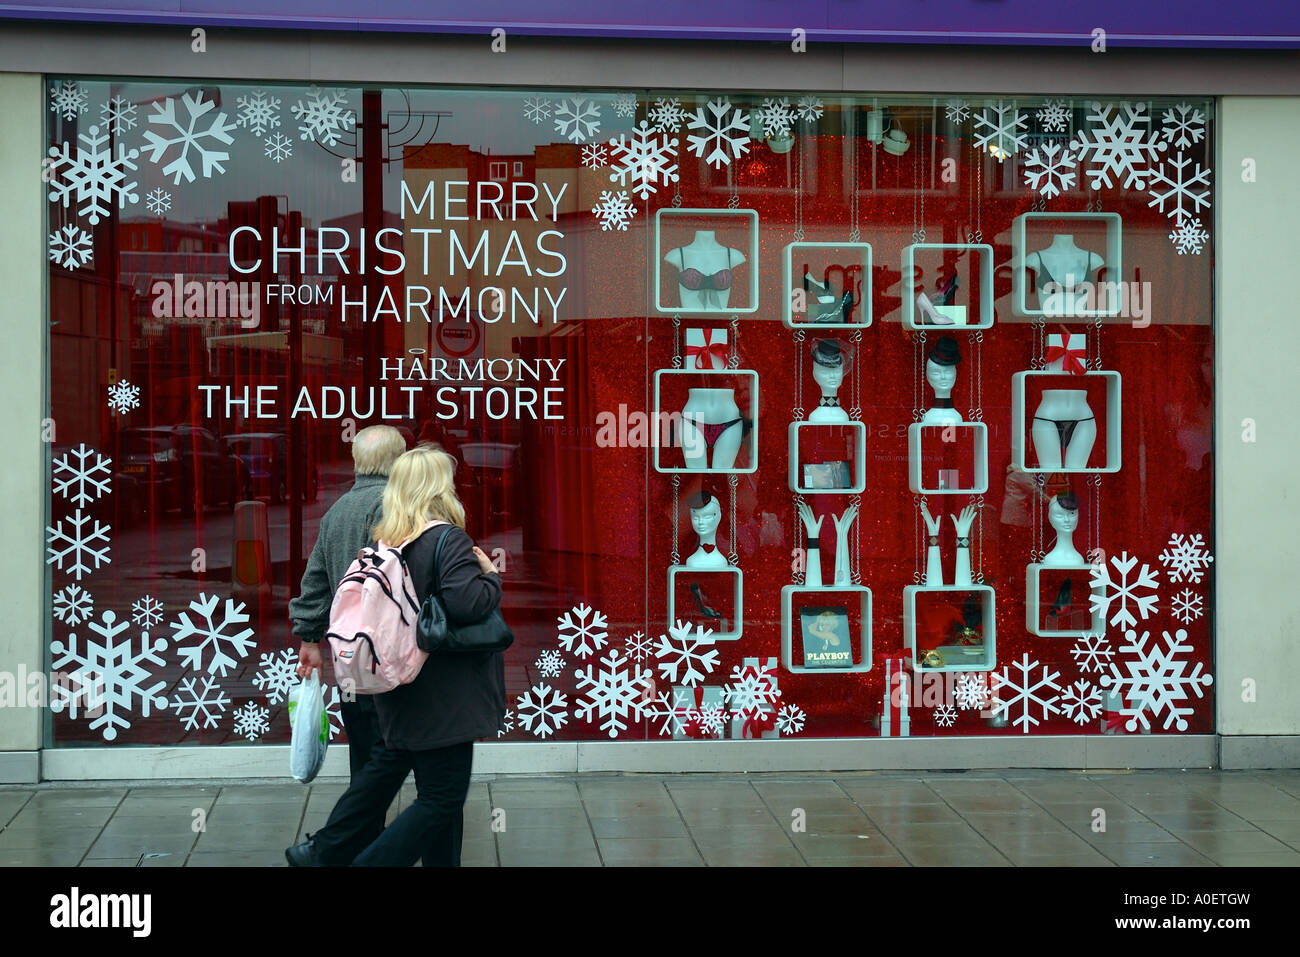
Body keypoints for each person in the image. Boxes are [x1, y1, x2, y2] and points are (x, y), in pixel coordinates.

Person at [288, 445, 505, 867]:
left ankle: (323, 850)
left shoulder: (389, 540)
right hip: (442, 691)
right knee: (441, 797)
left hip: (398, 682)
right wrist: (492, 579)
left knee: (388, 772)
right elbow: (466, 604)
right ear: (440, 487)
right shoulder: (447, 538)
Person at [287, 424, 406, 865]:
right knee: (389, 757)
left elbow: (315, 578)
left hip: (348, 657)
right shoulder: (394, 507)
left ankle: (359, 842)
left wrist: (309, 637)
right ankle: (332, 846)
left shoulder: (336, 510)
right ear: (398, 462)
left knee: (365, 750)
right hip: (388, 654)